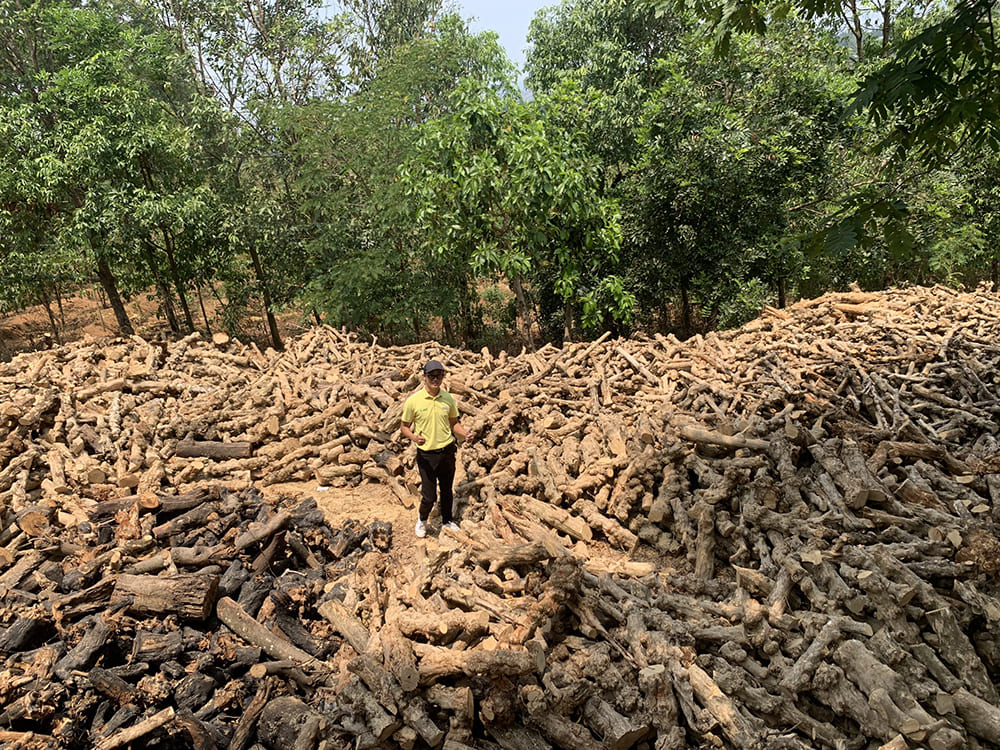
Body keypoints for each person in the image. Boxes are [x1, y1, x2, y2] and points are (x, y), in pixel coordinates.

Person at [399, 360, 473, 538]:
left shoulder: (448, 399)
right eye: (431, 376)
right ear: (424, 377)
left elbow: (454, 423)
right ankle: (422, 520)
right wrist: (414, 437)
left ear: (443, 377)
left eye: (439, 375)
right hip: (426, 455)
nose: (435, 379)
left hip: (447, 452)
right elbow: (404, 426)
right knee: (429, 496)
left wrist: (464, 433)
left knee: (447, 491)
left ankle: (448, 521)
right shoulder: (414, 401)